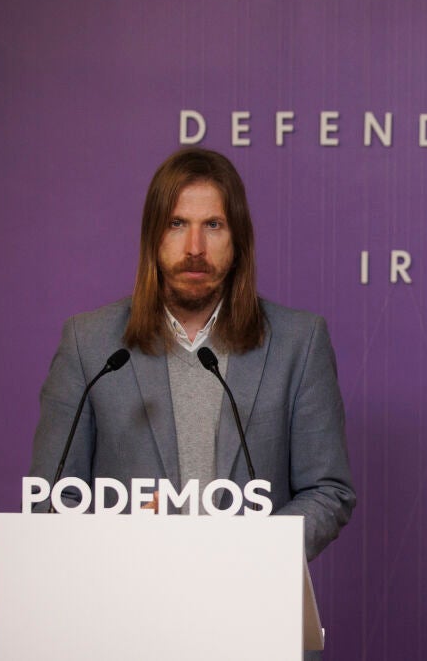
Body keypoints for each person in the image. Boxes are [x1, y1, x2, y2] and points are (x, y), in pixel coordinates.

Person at [28, 147, 356, 562]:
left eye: (213, 225)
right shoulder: (89, 343)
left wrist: (250, 554)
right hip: (126, 590)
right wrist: (119, 541)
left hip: (248, 591)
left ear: (238, 241)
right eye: (177, 223)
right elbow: (53, 497)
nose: (195, 247)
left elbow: (326, 491)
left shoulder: (298, 342)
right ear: (153, 237)